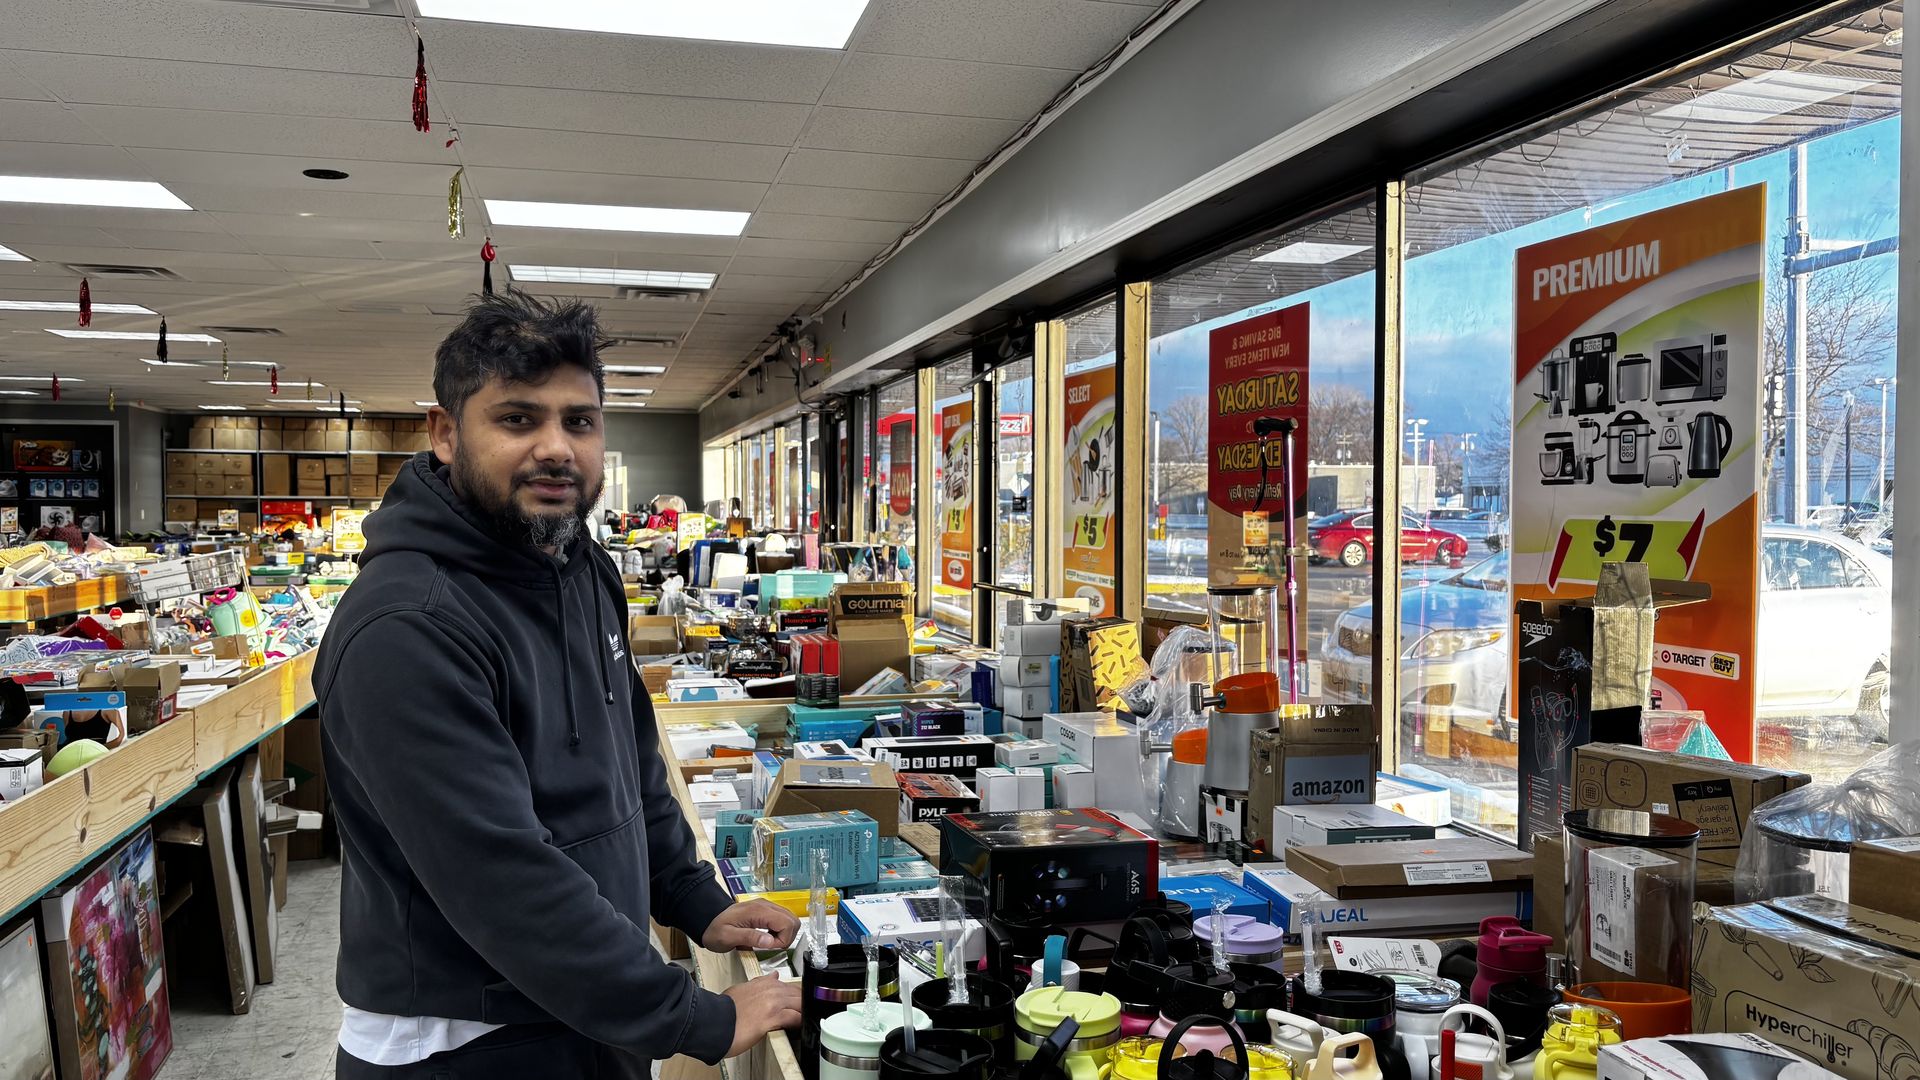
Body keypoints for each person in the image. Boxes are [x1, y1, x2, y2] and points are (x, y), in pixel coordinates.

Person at [317, 289, 801, 1079]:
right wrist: (691, 1015)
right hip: (466, 1044)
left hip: (581, 1008)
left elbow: (628, 768)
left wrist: (693, 900)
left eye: (578, 421)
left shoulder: (579, 567)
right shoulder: (405, 627)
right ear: (445, 434)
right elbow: (501, 879)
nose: (556, 447)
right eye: (517, 419)